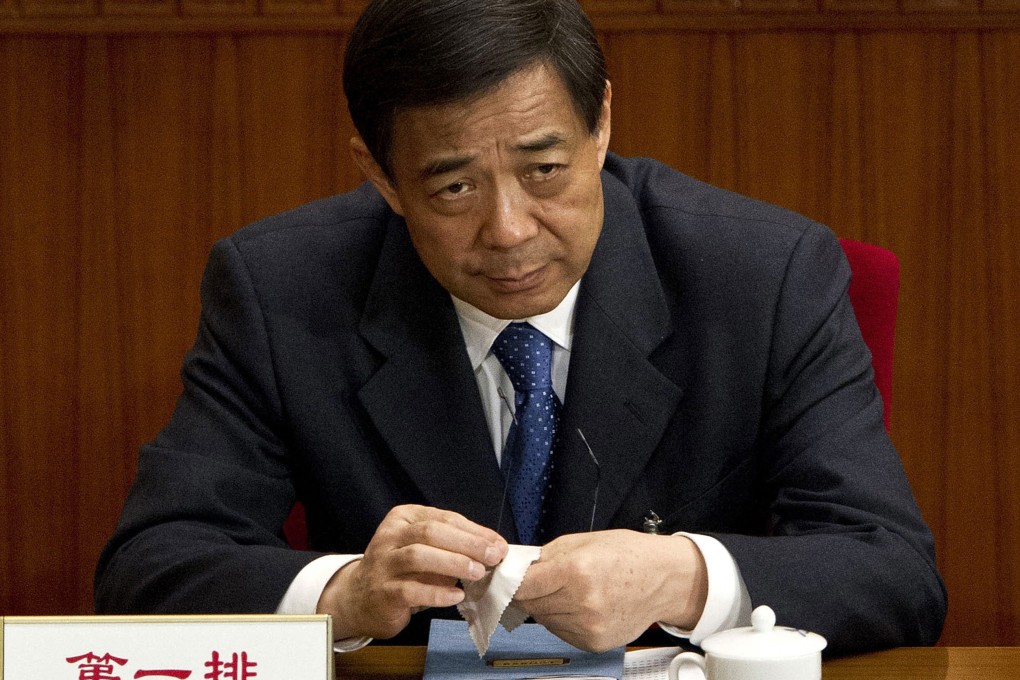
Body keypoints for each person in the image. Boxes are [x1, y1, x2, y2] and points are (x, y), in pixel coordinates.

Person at [95, 0, 946, 656]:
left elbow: (892, 569)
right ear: (381, 176)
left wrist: (681, 579)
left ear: (602, 123)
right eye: (454, 188)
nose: (508, 230)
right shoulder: (282, 289)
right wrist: (345, 592)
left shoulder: (763, 276)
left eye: (544, 170)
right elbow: (150, 569)